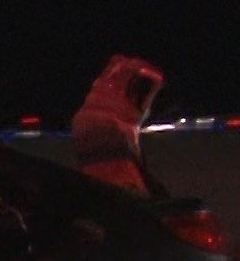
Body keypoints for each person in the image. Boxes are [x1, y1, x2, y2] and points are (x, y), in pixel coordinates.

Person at [72, 54, 168, 197]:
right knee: (127, 184)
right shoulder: (150, 75)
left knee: (96, 175)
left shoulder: (118, 67)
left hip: (82, 124)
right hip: (110, 126)